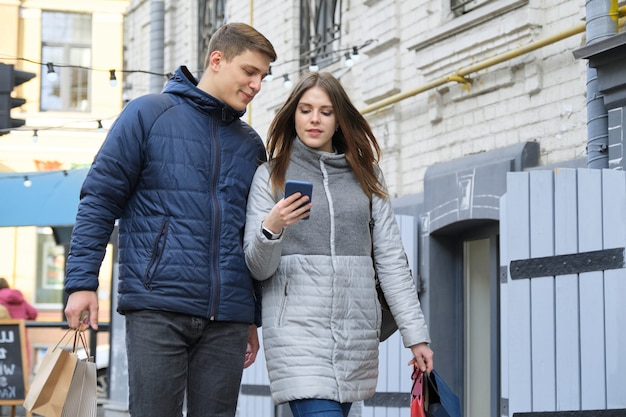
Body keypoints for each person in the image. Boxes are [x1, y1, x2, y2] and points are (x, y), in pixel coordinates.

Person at [63, 23, 277, 417]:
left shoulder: (250, 145)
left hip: (227, 318)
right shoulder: (148, 114)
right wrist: (81, 283)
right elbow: (99, 199)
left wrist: (251, 314)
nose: (257, 84)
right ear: (217, 60)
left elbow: (250, 234)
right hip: (157, 306)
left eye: (263, 76)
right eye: (250, 71)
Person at [243, 72, 434, 417]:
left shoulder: (367, 175)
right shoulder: (270, 176)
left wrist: (416, 337)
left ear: (338, 120)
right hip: (296, 338)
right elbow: (258, 267)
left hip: (355, 338)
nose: (314, 119)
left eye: (326, 111)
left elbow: (391, 260)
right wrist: (272, 227)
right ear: (293, 116)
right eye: (305, 109)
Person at [0, 277, 38, 368]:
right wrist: (23, 319)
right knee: (22, 358)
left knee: (5, 359)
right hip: (21, 332)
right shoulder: (19, 298)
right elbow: (33, 313)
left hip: (4, 334)